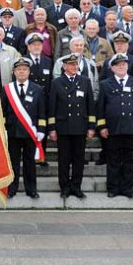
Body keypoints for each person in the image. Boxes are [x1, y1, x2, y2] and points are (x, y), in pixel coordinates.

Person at [97, 53, 133, 198]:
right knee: (112, 160)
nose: (121, 67)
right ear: (112, 68)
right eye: (118, 65)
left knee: (129, 161)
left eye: (124, 64)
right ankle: (112, 188)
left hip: (131, 128)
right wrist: (102, 126)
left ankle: (127, 189)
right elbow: (101, 107)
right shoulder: (105, 84)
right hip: (112, 129)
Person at [48, 54, 96, 199]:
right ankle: (64, 187)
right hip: (63, 126)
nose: (74, 67)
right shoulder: (57, 82)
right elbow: (52, 107)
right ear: (64, 67)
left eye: (76, 64)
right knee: (64, 159)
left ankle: (76, 186)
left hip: (80, 127)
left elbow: (90, 106)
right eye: (71, 64)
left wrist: (91, 126)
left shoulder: (85, 81)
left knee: (78, 159)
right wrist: (52, 128)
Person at [1, 58, 46, 198]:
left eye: (24, 69)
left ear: (29, 71)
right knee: (13, 163)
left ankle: (31, 189)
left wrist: (41, 130)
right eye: (19, 69)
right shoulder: (7, 89)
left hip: (30, 132)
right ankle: (12, 189)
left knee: (29, 163)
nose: (21, 72)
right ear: (14, 72)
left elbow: (42, 112)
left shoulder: (37, 89)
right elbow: (2, 111)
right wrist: (4, 131)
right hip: (13, 132)